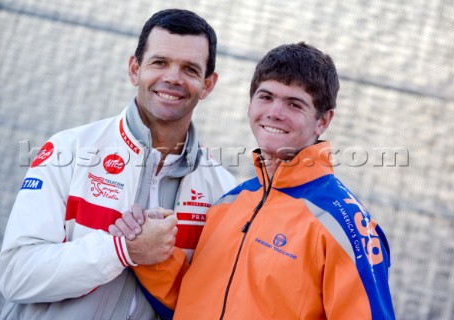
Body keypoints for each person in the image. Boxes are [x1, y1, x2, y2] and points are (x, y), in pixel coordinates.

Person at [114, 42, 396, 319]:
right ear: (250, 104)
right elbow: (190, 302)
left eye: (294, 104)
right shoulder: (228, 204)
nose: (275, 112)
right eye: (266, 96)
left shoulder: (345, 225)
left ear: (323, 121)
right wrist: (153, 253)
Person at [0, 9, 236, 320]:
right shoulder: (68, 151)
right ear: (135, 69)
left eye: (189, 69)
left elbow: (214, 305)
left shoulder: (223, 191)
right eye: (159, 62)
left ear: (208, 84)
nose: (172, 78)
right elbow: (17, 274)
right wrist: (122, 250)